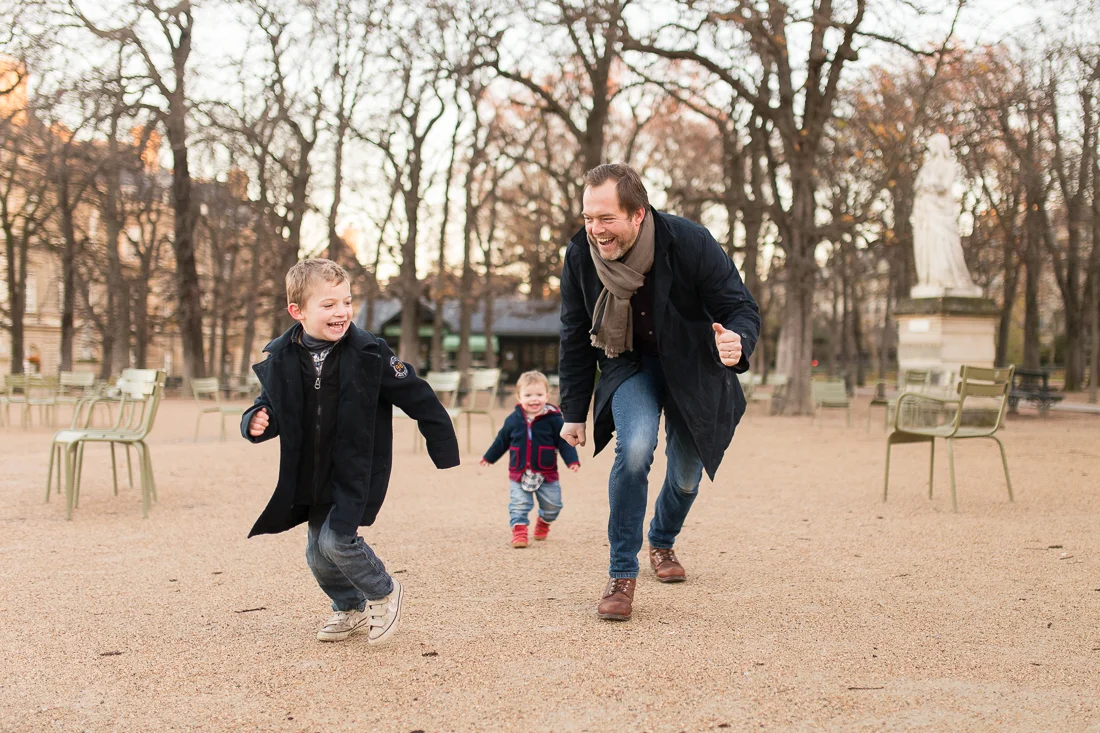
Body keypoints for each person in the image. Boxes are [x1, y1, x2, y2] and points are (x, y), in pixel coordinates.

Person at [558, 163, 760, 621]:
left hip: (692, 363)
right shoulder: (579, 256)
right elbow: (573, 333)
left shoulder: (689, 242)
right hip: (628, 363)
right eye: (589, 218)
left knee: (687, 474)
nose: (595, 229)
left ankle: (663, 540)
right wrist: (574, 411)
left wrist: (737, 341)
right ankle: (621, 575)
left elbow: (738, 305)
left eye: (606, 218)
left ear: (637, 214)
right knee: (634, 449)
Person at [241, 258, 460, 643]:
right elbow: (271, 406)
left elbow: (418, 395)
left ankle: (383, 590)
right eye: (328, 305)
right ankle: (349, 607)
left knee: (337, 541)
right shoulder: (283, 358)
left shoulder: (369, 353)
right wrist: (257, 420)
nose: (342, 312)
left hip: (356, 468)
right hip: (311, 472)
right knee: (316, 552)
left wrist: (442, 446)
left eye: (346, 301)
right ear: (298, 311)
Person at [480, 370, 580, 548]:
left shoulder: (555, 420)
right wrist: (489, 457)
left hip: (546, 472)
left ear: (547, 396)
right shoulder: (513, 419)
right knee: (519, 504)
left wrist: (572, 460)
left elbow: (564, 443)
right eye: (528, 395)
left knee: (553, 505)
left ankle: (544, 520)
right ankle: (519, 531)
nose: (534, 399)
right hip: (519, 471)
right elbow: (502, 440)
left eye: (539, 395)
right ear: (519, 397)